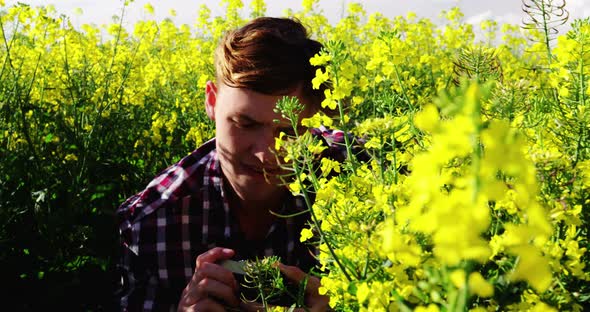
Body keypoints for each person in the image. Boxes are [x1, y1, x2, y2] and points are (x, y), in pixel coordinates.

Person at [116, 17, 350, 311]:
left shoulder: (361, 172)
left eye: (289, 132)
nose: (265, 154)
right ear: (212, 102)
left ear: (315, 121)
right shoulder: (151, 222)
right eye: (245, 123)